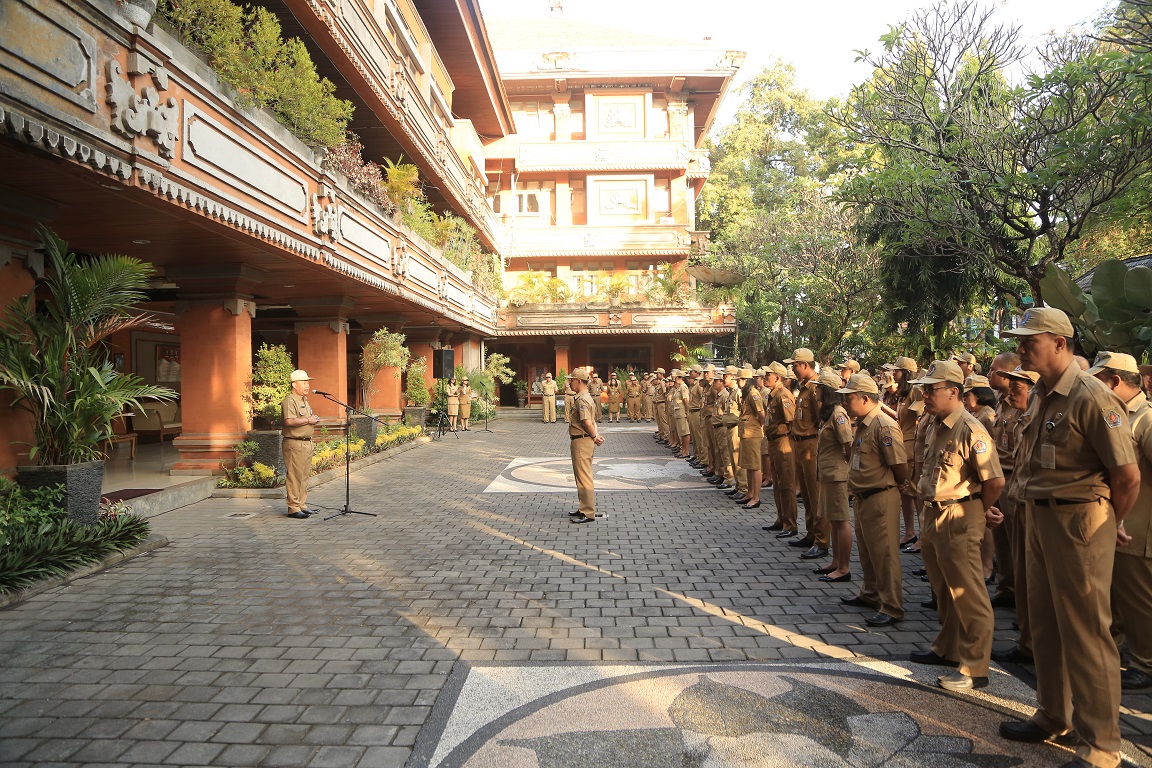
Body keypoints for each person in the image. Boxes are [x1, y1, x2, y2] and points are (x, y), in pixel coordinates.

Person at [998, 308, 1139, 768]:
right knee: (1044, 623)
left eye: (1029, 340)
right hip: (1038, 519)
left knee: (1086, 632)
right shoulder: (1040, 393)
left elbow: (1127, 476)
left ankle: (1101, 744)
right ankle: (1053, 714)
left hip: (1080, 524)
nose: (1021, 348)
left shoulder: (1092, 396)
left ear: (1060, 342)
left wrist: (1108, 520)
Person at [907, 360, 1005, 692]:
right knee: (943, 589)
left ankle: (975, 666)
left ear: (954, 391)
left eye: (931, 389)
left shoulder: (971, 429)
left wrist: (978, 510)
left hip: (960, 516)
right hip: (933, 514)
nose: (925, 395)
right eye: (924, 389)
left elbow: (994, 481)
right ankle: (947, 648)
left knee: (968, 592)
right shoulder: (936, 424)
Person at [1087, 351, 1152, 690]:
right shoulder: (1116, 415)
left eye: (1098, 380)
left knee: (1139, 603)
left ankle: (1145, 664)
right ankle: (1115, 656)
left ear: (1114, 382)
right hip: (1116, 523)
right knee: (1117, 599)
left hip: (1140, 527)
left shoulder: (1145, 418)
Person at [837, 373, 908, 627]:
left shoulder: (883, 424)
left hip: (880, 496)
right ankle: (870, 593)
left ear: (865, 398)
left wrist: (900, 483)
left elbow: (899, 464)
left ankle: (891, 606)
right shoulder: (865, 424)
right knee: (867, 551)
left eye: (850, 398)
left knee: (885, 553)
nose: (845, 402)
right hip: (863, 495)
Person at [991, 366, 1040, 665]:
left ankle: (1032, 635)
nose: (1011, 389)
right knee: (1012, 554)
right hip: (1011, 484)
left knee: (1029, 564)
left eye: (1018, 386)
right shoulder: (1009, 408)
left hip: (1030, 495)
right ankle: (1026, 632)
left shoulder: (1037, 416)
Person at [784, 348, 828, 560]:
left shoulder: (815, 388)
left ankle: (822, 540)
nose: (792, 368)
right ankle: (811, 533)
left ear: (804, 365)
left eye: (794, 365)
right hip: (800, 443)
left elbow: (822, 418)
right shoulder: (803, 388)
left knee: (816, 495)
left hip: (811, 444)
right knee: (808, 496)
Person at [814, 368, 854, 582]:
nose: (816, 391)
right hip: (828, 474)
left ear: (827, 390)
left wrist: (847, 470)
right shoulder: (829, 413)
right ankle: (836, 562)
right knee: (833, 519)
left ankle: (844, 567)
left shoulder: (839, 415)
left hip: (837, 475)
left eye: (819, 387)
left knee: (841, 520)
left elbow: (848, 445)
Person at [761, 362, 799, 537]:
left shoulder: (783, 395)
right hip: (774, 441)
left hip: (783, 441)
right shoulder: (773, 395)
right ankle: (781, 519)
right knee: (778, 484)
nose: (765, 377)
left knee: (786, 485)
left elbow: (791, 422)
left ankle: (790, 524)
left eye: (768, 374)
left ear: (778, 377)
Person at [567, 367, 605, 523]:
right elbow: (593, 421)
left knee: (584, 477)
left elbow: (587, 422)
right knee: (581, 476)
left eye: (571, 380)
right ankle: (583, 507)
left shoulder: (582, 399)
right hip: (582, 440)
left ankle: (588, 512)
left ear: (578, 381)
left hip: (581, 441)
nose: (569, 382)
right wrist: (595, 434)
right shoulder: (586, 397)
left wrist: (595, 436)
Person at [281, 370, 321, 519]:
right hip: (294, 444)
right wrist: (308, 420)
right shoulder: (290, 400)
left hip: (306, 443)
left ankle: (302, 505)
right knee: (294, 476)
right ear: (294, 385)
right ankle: (293, 507)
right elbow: (289, 421)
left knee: (303, 476)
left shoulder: (304, 400)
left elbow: (305, 418)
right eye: (304, 382)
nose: (307, 385)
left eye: (308, 382)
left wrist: (313, 419)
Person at [735, 367, 765, 509]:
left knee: (755, 466)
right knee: (748, 465)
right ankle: (750, 493)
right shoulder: (746, 394)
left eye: (740, 380)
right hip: (746, 433)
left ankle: (756, 497)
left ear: (746, 380)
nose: (738, 382)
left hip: (753, 433)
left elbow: (761, 413)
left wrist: (760, 426)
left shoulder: (753, 394)